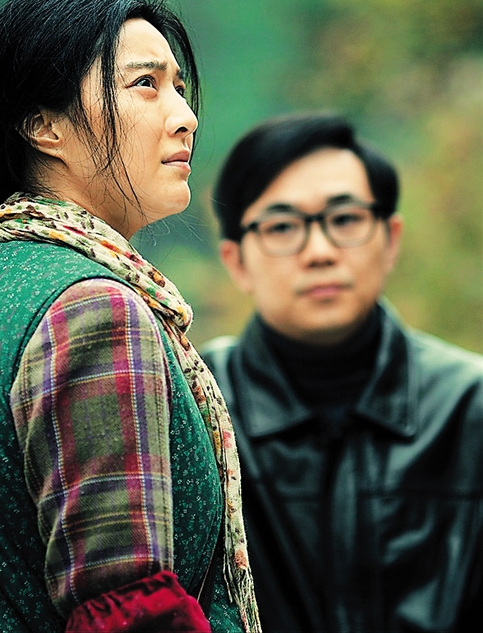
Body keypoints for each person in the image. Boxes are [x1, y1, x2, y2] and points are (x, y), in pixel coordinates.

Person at [0, 0, 262, 633]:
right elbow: (129, 613)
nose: (185, 116)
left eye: (179, 88)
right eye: (145, 84)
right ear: (44, 126)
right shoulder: (93, 310)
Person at [201, 112, 483, 633]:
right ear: (236, 261)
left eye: (346, 220)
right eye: (282, 227)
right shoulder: (197, 409)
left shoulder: (469, 406)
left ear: (390, 239)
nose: (320, 252)